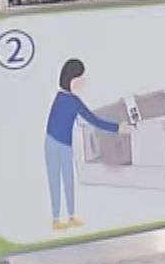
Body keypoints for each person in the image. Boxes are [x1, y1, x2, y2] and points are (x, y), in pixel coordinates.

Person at [45, 58, 121, 232]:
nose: (83, 82)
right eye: (80, 78)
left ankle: (71, 216)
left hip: (64, 144)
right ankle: (56, 218)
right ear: (72, 79)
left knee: (68, 177)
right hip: (53, 143)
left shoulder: (72, 100)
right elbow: (94, 120)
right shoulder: (66, 100)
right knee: (55, 178)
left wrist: (116, 128)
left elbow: (90, 120)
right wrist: (117, 128)